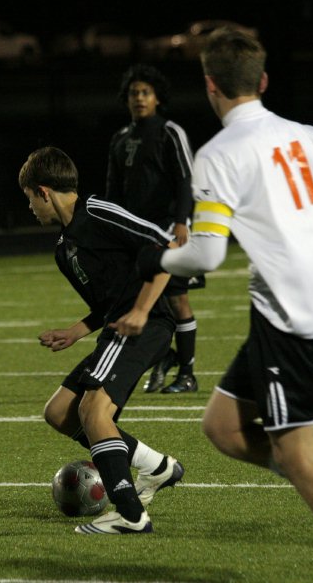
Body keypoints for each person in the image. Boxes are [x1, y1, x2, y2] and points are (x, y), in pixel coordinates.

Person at [137, 28, 313, 581]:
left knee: (297, 451)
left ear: (209, 86)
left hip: (291, 320)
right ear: (261, 81)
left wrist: (159, 261)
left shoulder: (218, 154)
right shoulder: (304, 134)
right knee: (224, 428)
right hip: (297, 311)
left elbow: (206, 256)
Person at [18, 146, 184, 534]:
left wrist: (142, 310)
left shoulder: (97, 211)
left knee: (94, 411)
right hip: (118, 328)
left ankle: (130, 513)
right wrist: (75, 331)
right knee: (60, 412)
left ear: (44, 191)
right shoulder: (65, 250)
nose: (29, 209)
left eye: (28, 199)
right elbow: (107, 304)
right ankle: (157, 468)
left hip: (148, 324)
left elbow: (164, 244)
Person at [106, 64, 201, 394]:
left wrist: (181, 220)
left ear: (158, 97)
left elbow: (186, 179)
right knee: (147, 305)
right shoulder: (120, 139)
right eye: (134, 93)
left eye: (145, 92)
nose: (139, 98)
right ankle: (168, 357)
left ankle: (187, 374)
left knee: (177, 300)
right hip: (135, 236)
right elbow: (113, 192)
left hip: (166, 231)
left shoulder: (170, 132)